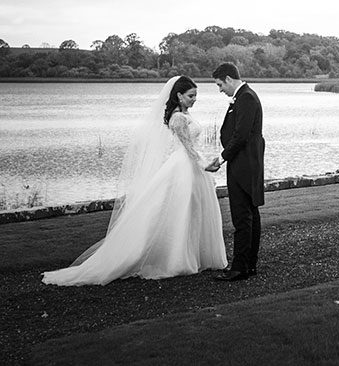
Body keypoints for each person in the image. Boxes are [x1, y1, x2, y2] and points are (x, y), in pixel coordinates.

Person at [42, 76, 226, 286]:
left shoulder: (185, 114)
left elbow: (191, 148)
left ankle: (192, 253)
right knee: (180, 210)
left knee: (191, 210)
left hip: (190, 166)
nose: (195, 100)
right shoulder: (178, 119)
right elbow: (187, 148)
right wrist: (204, 165)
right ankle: (176, 258)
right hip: (184, 166)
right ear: (179, 96)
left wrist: (203, 166)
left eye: (196, 96)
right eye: (191, 96)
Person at [207, 62, 265, 281]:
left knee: (243, 217)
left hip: (243, 165)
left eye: (220, 84)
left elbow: (240, 136)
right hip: (246, 164)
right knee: (250, 215)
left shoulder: (246, 98)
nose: (220, 89)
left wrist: (221, 159)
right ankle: (248, 264)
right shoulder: (243, 97)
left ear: (229, 79)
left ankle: (241, 267)